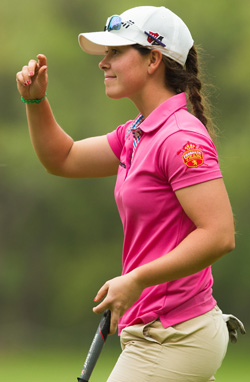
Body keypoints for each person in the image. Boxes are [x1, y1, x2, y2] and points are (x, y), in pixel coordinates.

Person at [16, 5, 241, 381]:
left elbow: (219, 235)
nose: (103, 63)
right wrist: (35, 101)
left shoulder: (180, 137)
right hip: (159, 331)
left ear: (154, 59)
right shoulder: (136, 134)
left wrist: (136, 279)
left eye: (116, 52)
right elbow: (64, 158)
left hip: (174, 335)